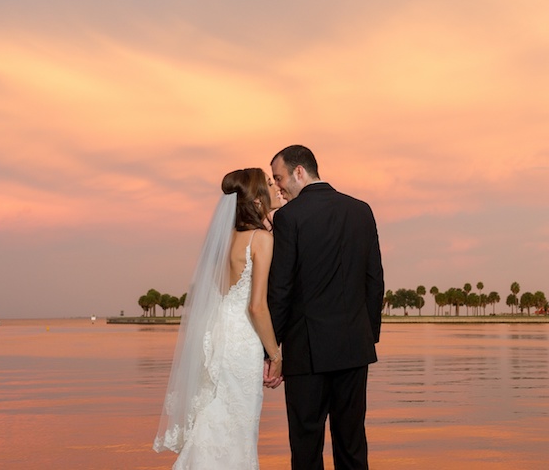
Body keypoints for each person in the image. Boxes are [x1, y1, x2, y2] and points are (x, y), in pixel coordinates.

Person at [154, 168, 284, 469]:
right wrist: (275, 355)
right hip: (242, 341)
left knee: (214, 415)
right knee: (238, 425)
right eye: (268, 183)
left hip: (216, 334)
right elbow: (256, 307)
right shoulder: (261, 240)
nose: (275, 187)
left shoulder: (222, 241)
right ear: (255, 201)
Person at [268, 145, 385, 470]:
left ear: (300, 171)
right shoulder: (361, 210)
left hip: (306, 352)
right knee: (352, 444)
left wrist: (271, 349)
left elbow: (281, 290)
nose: (277, 187)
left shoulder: (288, 218)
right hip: (353, 348)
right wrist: (367, 335)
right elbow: (375, 282)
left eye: (279, 178)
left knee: (306, 447)